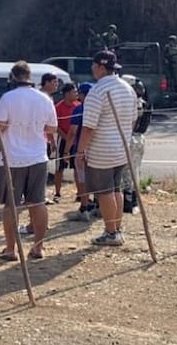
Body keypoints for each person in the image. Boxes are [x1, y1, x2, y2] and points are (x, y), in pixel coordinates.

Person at [0, 61, 58, 261]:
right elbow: (52, 128)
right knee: (38, 203)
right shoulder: (44, 99)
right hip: (38, 157)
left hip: (12, 159)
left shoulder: (8, 98)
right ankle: (38, 247)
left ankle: (11, 249)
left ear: (13, 77)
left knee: (11, 205)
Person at [77, 50, 137, 246]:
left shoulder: (98, 91)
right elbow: (133, 119)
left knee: (104, 192)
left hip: (102, 150)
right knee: (116, 189)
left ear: (101, 67)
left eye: (94, 65)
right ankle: (116, 228)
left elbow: (88, 127)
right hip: (121, 147)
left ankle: (111, 232)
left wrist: (80, 151)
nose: (92, 69)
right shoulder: (128, 88)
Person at [123, 76, 152, 215]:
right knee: (135, 170)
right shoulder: (143, 102)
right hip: (139, 137)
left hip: (132, 137)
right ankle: (131, 199)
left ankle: (129, 201)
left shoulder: (136, 103)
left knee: (129, 171)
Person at [67, 82, 94, 221]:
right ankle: (98, 205)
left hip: (81, 148)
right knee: (97, 178)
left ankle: (84, 207)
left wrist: (67, 151)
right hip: (97, 149)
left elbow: (72, 132)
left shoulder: (79, 109)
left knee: (82, 178)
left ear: (83, 95)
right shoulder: (98, 109)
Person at [53, 83, 79, 203]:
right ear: (67, 94)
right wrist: (66, 137)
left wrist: (73, 139)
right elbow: (55, 125)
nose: (76, 94)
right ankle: (57, 192)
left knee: (77, 167)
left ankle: (80, 193)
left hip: (76, 140)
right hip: (63, 139)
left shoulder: (78, 106)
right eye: (74, 92)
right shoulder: (58, 107)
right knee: (59, 167)